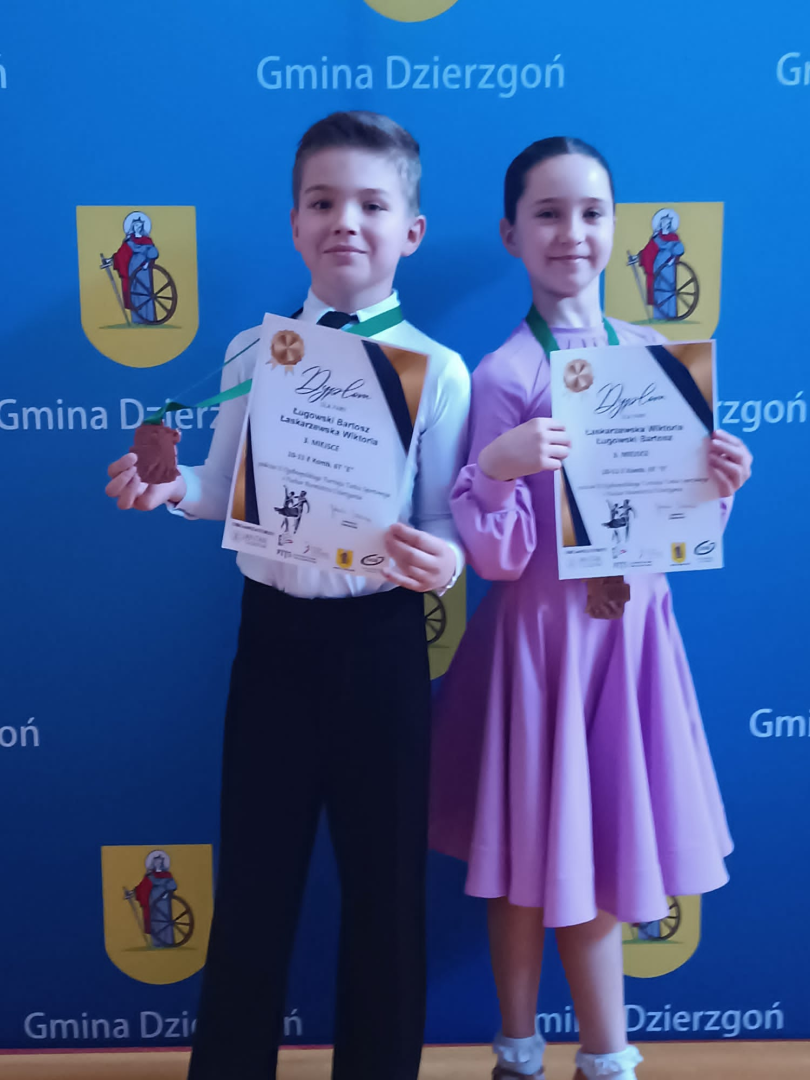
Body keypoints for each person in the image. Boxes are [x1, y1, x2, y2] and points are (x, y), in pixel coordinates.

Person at [104, 111, 470, 1080]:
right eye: (323, 201)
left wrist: (443, 563)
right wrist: (168, 489)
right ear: (295, 222)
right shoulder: (252, 354)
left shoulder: (440, 372)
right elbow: (220, 489)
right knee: (254, 887)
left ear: (410, 231)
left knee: (386, 893)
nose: (346, 220)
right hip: (272, 645)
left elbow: (444, 520)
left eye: (371, 204)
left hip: (382, 645)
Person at [429, 137, 752, 1080]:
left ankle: (606, 1053)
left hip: (632, 642)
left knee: (600, 839)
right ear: (511, 234)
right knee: (523, 852)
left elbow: (678, 535)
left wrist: (720, 483)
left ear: (614, 227)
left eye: (591, 212)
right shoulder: (503, 375)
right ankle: (521, 1049)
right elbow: (495, 558)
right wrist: (496, 469)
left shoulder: (655, 359)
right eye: (549, 213)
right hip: (543, 646)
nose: (571, 232)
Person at [628, 208, 685, 320]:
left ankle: (670, 315)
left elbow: (679, 249)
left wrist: (673, 258)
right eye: (662, 221)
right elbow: (647, 251)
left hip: (668, 266)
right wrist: (636, 257)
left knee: (668, 289)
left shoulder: (674, 238)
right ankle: (659, 316)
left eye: (666, 222)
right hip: (657, 265)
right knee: (658, 289)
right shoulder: (656, 238)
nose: (664, 224)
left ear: (669, 224)